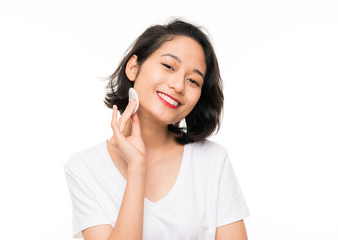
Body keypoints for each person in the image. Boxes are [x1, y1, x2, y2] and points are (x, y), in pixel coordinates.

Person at [64, 18, 250, 240]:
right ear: (133, 67)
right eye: (169, 66)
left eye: (193, 81)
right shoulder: (85, 167)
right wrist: (136, 167)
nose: (178, 86)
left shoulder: (213, 160)